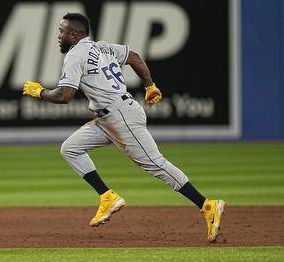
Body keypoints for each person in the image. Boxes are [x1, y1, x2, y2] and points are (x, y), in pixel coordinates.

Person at [22, 13, 225, 242]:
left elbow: (65, 95)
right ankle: (107, 196)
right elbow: (135, 57)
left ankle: (207, 204)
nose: (58, 36)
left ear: (74, 34)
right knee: (70, 148)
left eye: (61, 31)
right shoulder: (104, 48)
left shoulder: (75, 55)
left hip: (120, 116)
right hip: (108, 118)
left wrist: (39, 92)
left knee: (155, 164)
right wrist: (150, 86)